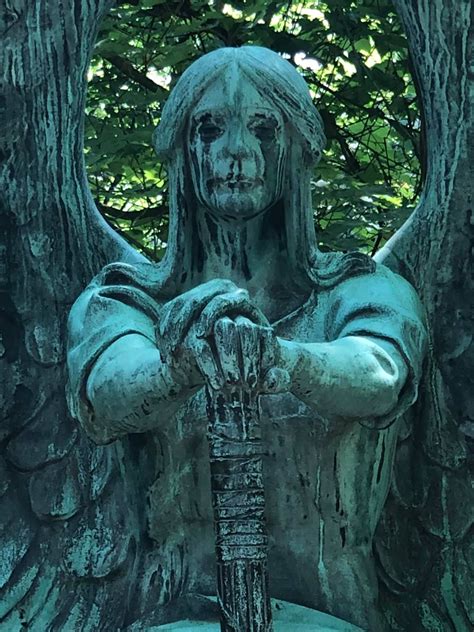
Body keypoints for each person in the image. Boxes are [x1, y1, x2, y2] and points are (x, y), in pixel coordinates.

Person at [67, 46, 427, 630]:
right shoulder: (122, 301)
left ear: (298, 149)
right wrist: (180, 364)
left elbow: (379, 373)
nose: (236, 151)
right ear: (182, 150)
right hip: (173, 619)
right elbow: (108, 388)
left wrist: (284, 361)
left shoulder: (363, 293)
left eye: (263, 129)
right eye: (209, 128)